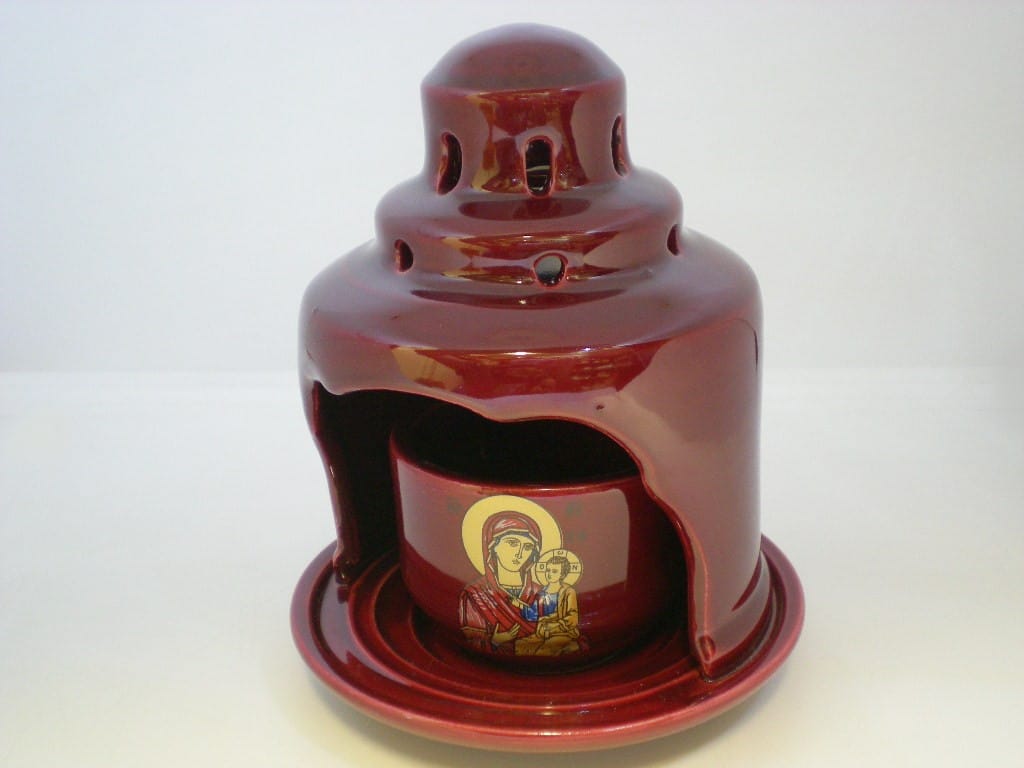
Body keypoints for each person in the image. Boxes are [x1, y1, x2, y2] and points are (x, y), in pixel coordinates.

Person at [458, 511, 542, 654]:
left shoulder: (541, 593)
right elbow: (471, 639)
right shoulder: (475, 594)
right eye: (512, 543)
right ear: (493, 547)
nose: (520, 554)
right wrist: (495, 640)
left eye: (528, 547)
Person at [513, 554, 584, 656]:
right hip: (543, 631)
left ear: (562, 575)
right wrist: (520, 605)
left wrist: (555, 625)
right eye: (548, 570)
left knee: (543, 652)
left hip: (562, 632)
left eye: (554, 571)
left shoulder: (568, 591)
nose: (549, 574)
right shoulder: (542, 592)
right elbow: (535, 613)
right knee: (520, 645)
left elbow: (573, 617)